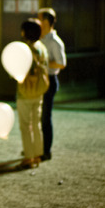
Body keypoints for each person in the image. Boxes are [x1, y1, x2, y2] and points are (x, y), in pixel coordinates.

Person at [17, 19, 49, 169]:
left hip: (25, 92)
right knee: (37, 124)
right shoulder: (42, 48)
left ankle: (28, 157)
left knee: (25, 125)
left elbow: (18, 70)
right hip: (39, 91)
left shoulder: (24, 49)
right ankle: (38, 154)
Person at [37, 8, 66, 161]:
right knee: (37, 115)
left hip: (49, 79)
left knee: (46, 117)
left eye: (39, 19)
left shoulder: (55, 41)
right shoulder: (39, 39)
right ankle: (36, 147)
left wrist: (44, 63)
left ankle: (46, 150)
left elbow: (61, 63)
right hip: (40, 79)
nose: (37, 22)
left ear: (47, 21)